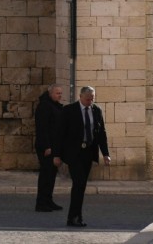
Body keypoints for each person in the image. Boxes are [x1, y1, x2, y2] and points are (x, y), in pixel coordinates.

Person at [53, 86, 111, 227]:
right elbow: (60, 133)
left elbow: (101, 133)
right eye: (88, 99)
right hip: (74, 154)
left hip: (88, 153)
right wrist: (57, 155)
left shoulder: (97, 110)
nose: (90, 101)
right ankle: (74, 217)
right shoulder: (69, 110)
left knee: (81, 186)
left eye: (93, 98)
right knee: (78, 184)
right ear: (81, 97)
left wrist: (105, 154)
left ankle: (75, 217)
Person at [34, 83, 63, 212]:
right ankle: (41, 202)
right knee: (46, 174)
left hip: (54, 146)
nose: (60, 95)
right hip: (47, 147)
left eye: (61, 93)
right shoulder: (45, 106)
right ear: (50, 93)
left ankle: (48, 200)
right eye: (57, 93)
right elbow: (42, 128)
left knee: (51, 174)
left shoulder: (54, 106)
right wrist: (46, 146)